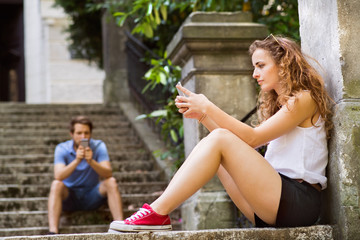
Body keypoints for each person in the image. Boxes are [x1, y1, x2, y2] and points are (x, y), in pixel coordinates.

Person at [108, 35, 333, 232]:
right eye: (254, 67)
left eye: (261, 65)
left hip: (299, 202)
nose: (255, 74)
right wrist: (204, 117)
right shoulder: (280, 107)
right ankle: (156, 212)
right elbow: (243, 147)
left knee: (221, 139)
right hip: (272, 205)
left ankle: (156, 212)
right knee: (218, 148)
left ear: (283, 64)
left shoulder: (305, 99)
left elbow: (252, 138)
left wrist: (208, 105)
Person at [48, 116, 124, 234]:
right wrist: (77, 160)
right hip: (70, 196)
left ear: (91, 134)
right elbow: (58, 176)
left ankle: (120, 227)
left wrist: (91, 161)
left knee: (111, 182)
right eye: (79, 133)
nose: (83, 137)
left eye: (86, 133)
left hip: (92, 196)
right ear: (71, 134)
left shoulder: (98, 146)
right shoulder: (62, 148)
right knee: (56, 184)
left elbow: (108, 173)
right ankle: (53, 231)